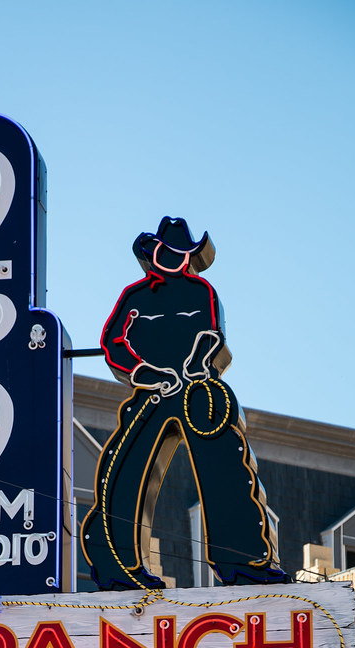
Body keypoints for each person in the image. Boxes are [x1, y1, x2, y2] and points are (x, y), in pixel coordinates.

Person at [80, 216, 290, 590]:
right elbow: (114, 342)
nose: (174, 259)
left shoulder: (201, 291)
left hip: (196, 391)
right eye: (167, 252)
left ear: (190, 257)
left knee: (224, 465)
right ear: (154, 253)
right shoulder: (135, 297)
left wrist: (196, 362)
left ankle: (244, 564)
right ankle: (118, 566)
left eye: (182, 253)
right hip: (152, 391)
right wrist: (144, 373)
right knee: (123, 469)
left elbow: (212, 334)